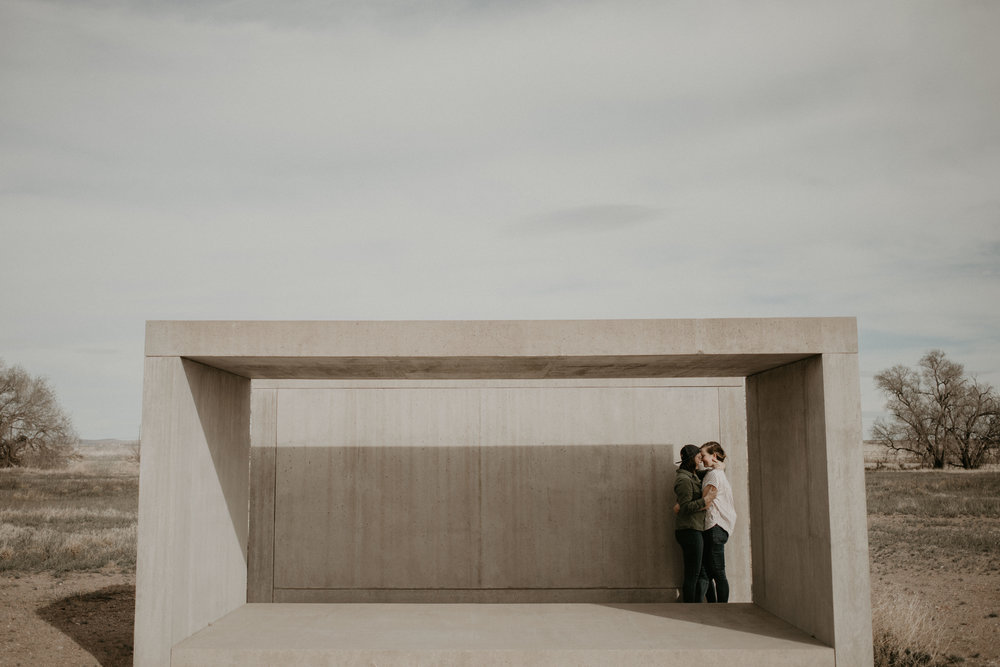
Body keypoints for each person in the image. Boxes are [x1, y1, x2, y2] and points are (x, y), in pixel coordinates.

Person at [673, 444, 716, 602]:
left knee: (700, 571)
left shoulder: (692, 475)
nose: (700, 461)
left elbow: (708, 472)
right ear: (691, 459)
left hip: (694, 529)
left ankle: (706, 604)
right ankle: (689, 609)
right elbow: (684, 508)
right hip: (689, 531)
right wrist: (705, 500)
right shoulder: (684, 480)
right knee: (693, 573)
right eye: (698, 458)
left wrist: (718, 466)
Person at [699, 441, 735, 603]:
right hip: (717, 527)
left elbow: (706, 501)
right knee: (707, 571)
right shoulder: (718, 473)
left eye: (704, 455)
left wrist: (686, 507)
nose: (701, 459)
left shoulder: (714, 475)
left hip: (715, 526)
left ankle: (722, 609)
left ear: (714, 456)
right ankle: (714, 607)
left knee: (718, 572)